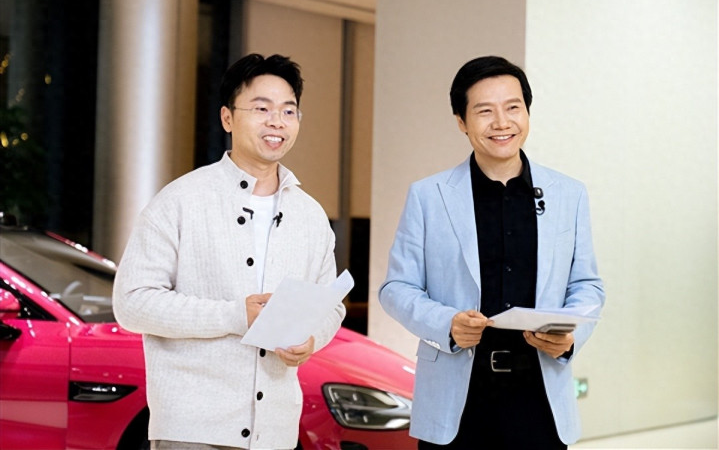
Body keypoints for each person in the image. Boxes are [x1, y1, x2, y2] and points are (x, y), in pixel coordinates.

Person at [113, 53, 345, 450]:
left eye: (288, 110)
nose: (277, 121)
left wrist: (311, 339)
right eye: (261, 109)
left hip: (274, 432)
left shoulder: (311, 216)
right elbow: (132, 303)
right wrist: (235, 315)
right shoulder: (180, 201)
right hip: (191, 429)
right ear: (227, 118)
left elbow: (331, 306)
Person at [378, 56, 605, 449]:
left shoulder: (568, 194)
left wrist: (569, 339)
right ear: (462, 121)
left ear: (527, 113)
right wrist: (447, 324)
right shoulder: (429, 196)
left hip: (541, 400)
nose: (502, 123)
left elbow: (587, 285)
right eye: (485, 111)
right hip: (456, 403)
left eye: (513, 108)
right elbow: (396, 288)